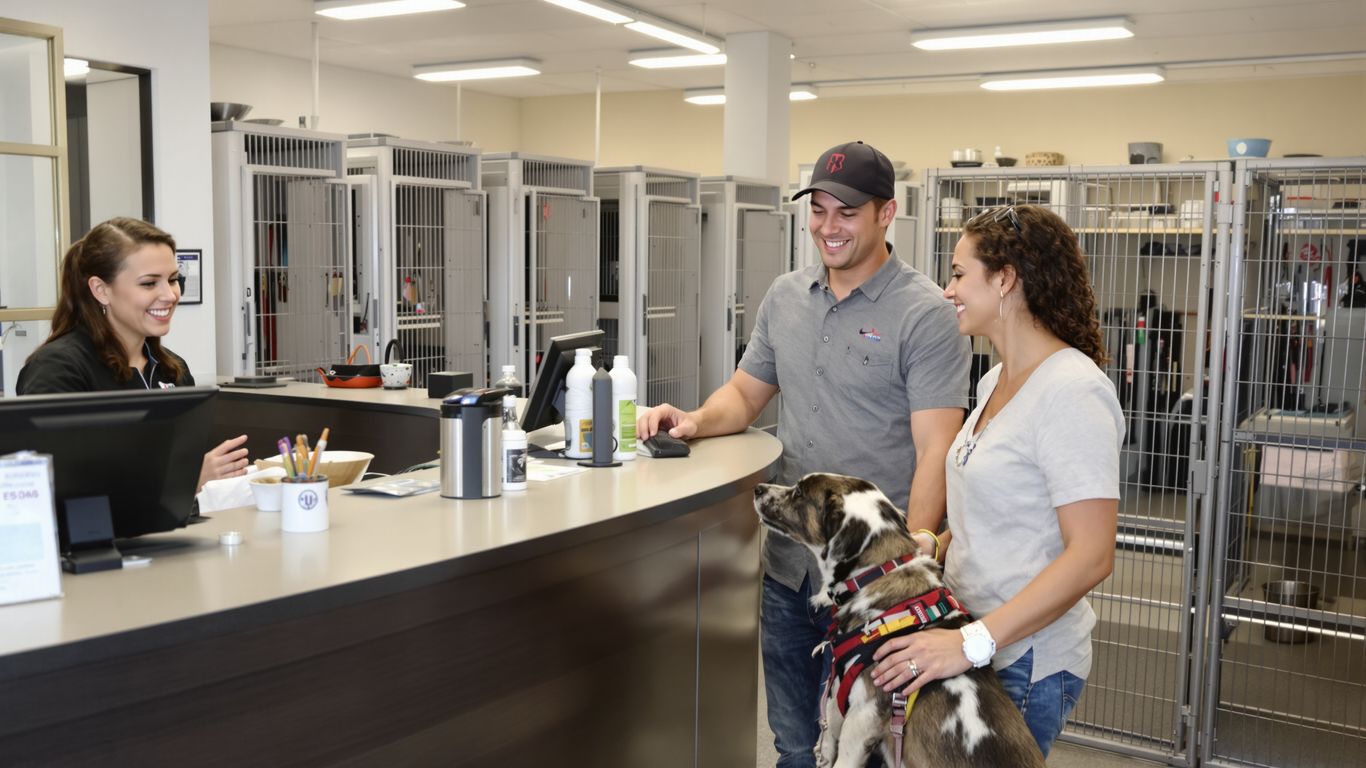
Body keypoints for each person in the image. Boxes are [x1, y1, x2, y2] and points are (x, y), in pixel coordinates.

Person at [637, 141, 969, 767]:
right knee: (794, 742)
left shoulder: (924, 315)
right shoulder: (786, 296)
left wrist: (915, 553)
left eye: (845, 211)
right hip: (790, 570)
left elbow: (935, 450)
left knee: (867, 748)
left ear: (885, 213)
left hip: (875, 583)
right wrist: (694, 422)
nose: (828, 226)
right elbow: (743, 394)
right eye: (817, 210)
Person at [869, 204, 1125, 757]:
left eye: (960, 274)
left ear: (1005, 278)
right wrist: (932, 545)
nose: (947, 289)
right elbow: (988, 508)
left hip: (1023, 657)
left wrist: (970, 643)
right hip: (969, 635)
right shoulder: (994, 381)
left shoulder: (1072, 392)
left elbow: (1091, 555)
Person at [17, 217, 249, 491]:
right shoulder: (59, 369)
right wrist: (186, 479)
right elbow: (63, 483)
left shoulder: (172, 369)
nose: (170, 295)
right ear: (101, 290)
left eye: (173, 280)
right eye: (150, 283)